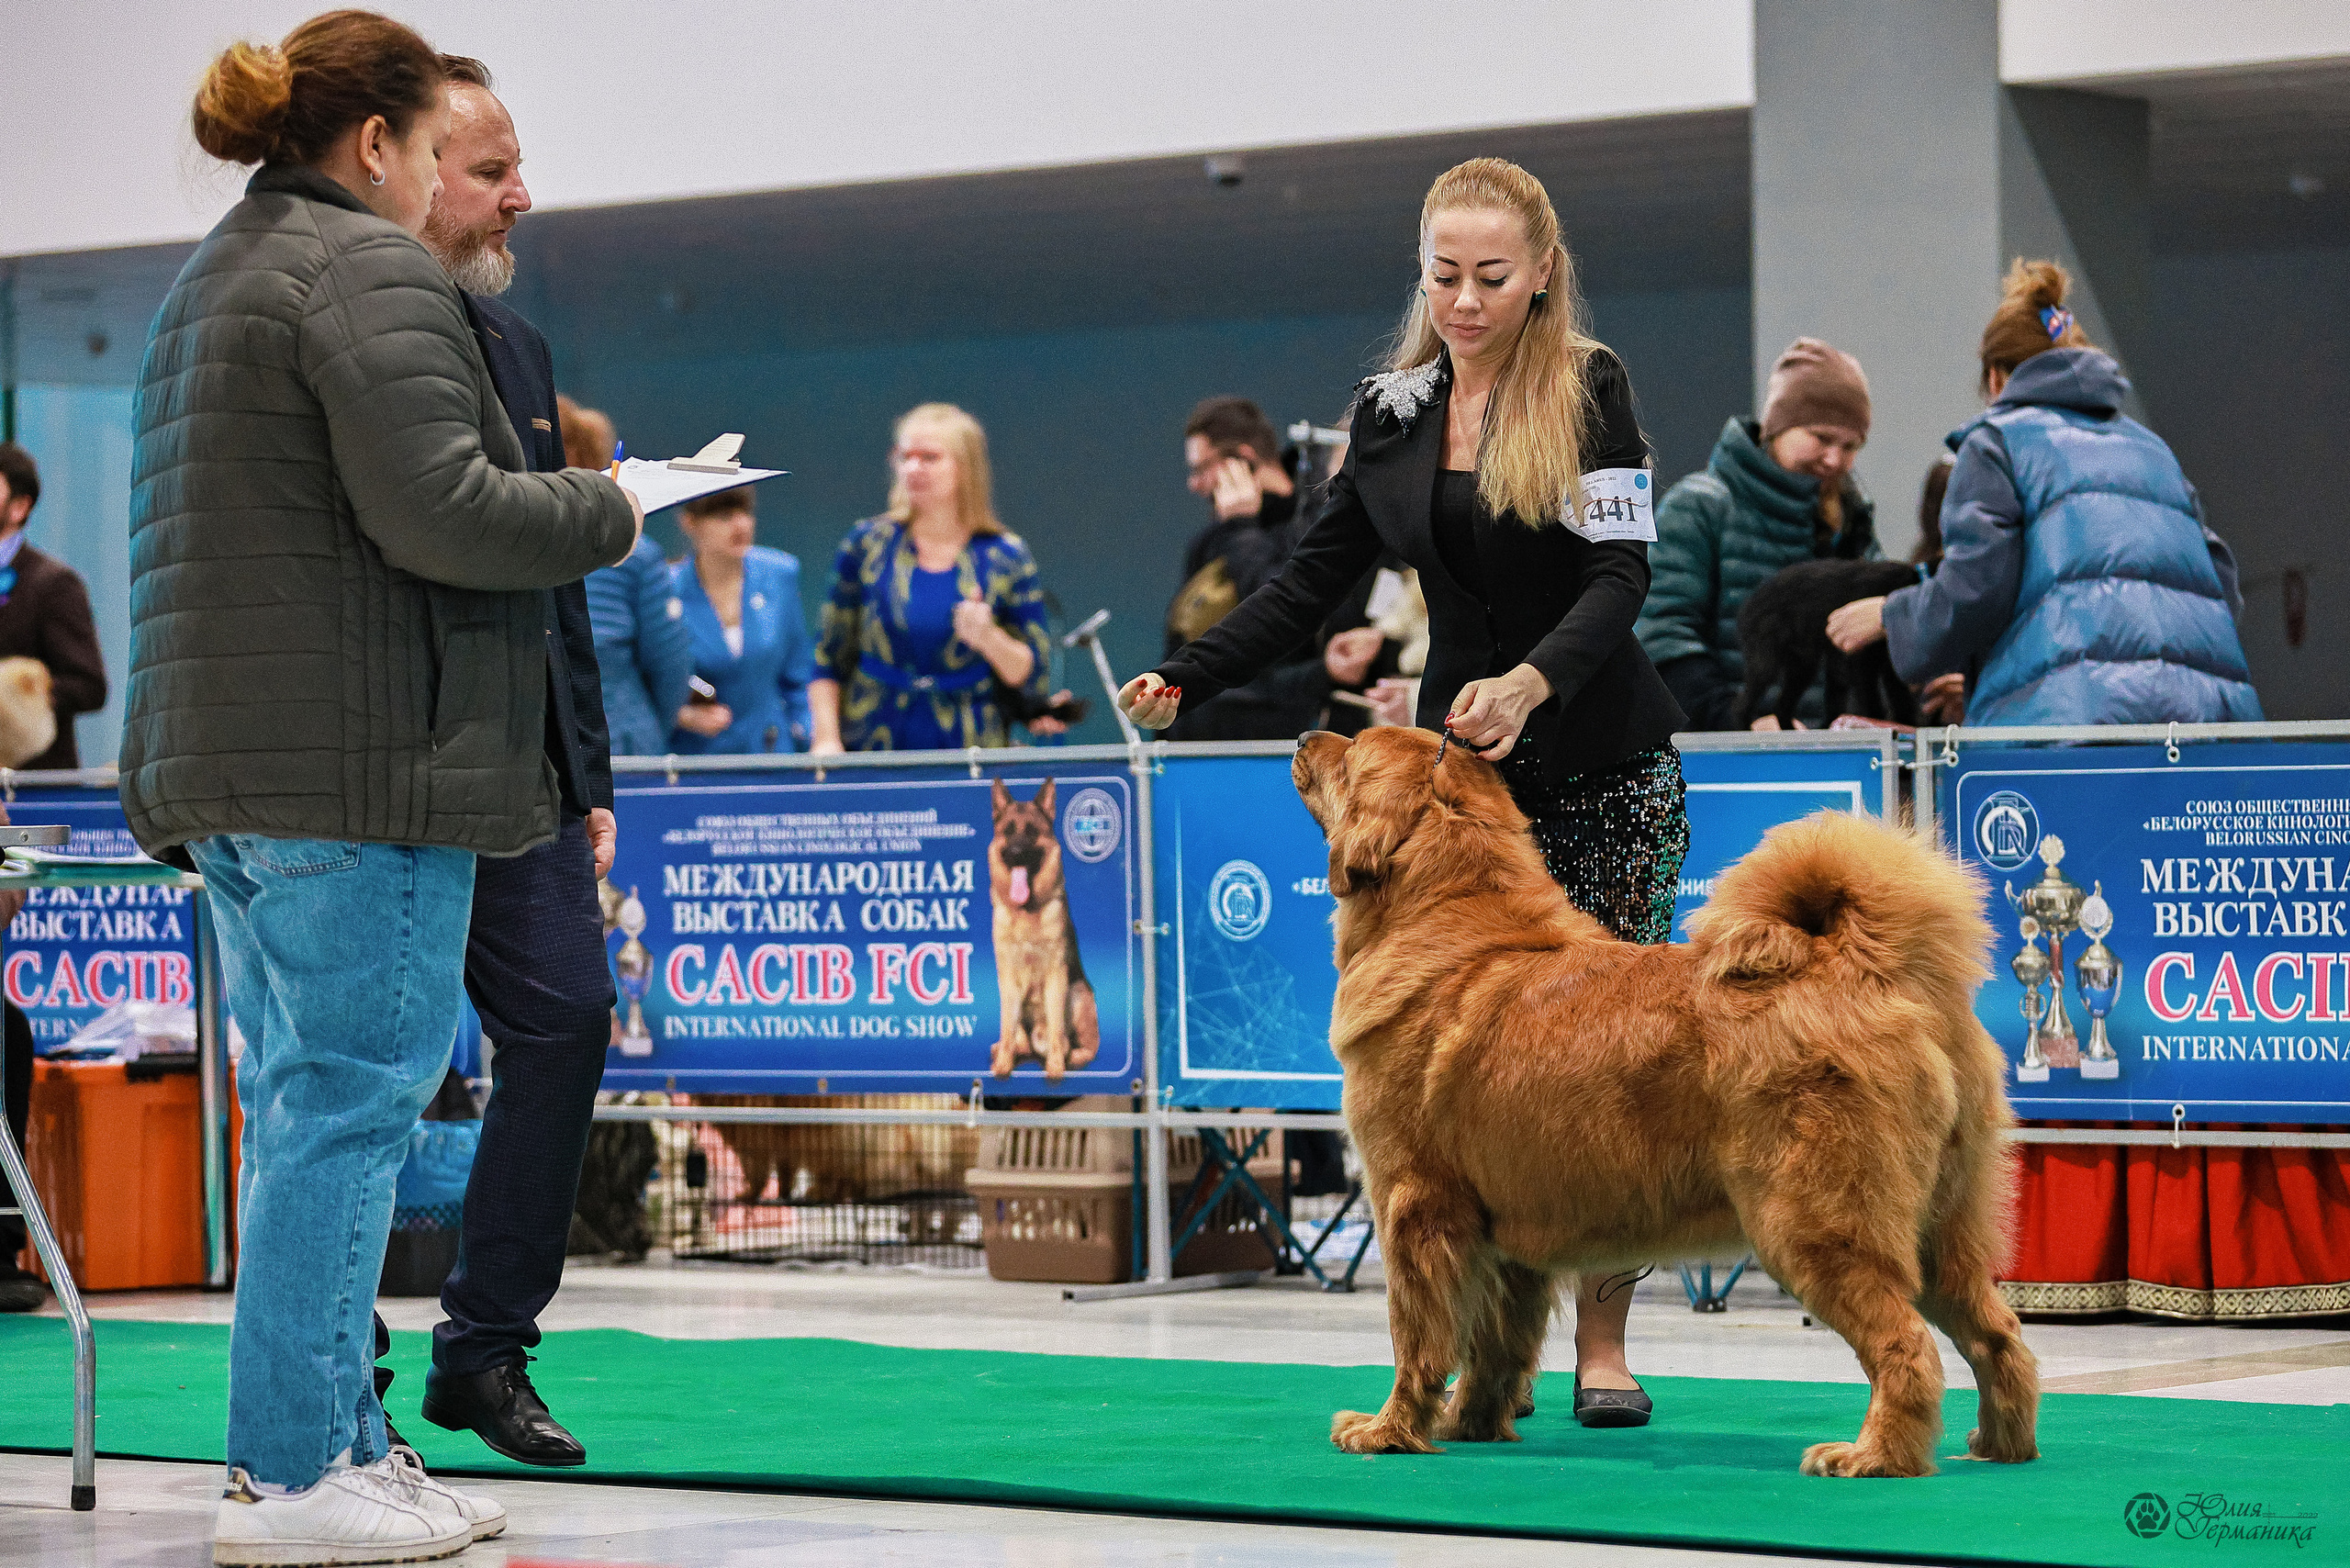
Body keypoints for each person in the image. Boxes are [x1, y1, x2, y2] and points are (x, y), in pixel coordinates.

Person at [128, 16, 638, 1562]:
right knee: (346, 1114)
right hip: (357, 774)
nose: (446, 184)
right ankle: (292, 1474)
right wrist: (615, 503)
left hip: (243, 765)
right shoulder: (366, 267)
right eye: (438, 153)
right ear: (377, 148)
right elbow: (450, 510)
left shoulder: (223, 268)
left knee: (303, 1114)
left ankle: (336, 1440)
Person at [1123, 157, 1687, 1430]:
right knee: (1464, 1092)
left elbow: (1620, 576)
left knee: (1604, 1076)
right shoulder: (1389, 411)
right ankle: (1489, 1363)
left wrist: (1534, 685)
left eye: (1493, 276)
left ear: (1541, 271)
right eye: (1444, 275)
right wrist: (1189, 673)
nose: (1467, 300)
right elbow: (1308, 583)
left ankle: (1601, 1346)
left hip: (1598, 762)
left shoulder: (1591, 387)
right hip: (1454, 791)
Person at [395, 52, 632, 1475]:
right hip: (397, 768)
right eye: (491, 172)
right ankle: (332, 1370)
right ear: (410, 166)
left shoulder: (525, 350)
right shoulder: (350, 328)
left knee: (569, 1021)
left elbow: (557, 588)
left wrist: (589, 775)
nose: (520, 196)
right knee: (363, 1075)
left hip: (528, 781)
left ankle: (485, 1348)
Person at [1827, 260, 2261, 725]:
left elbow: (1976, 589)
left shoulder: (1998, 442)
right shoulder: (2152, 450)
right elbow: (2220, 585)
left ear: (1995, 377)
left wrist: (1892, 616)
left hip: (2068, 730)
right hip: (2204, 731)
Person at [1634, 338, 1881, 731]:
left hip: (1837, 764)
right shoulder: (1699, 508)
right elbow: (1662, 640)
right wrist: (1741, 724)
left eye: (1850, 445)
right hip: (1721, 771)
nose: (1835, 459)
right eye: (1821, 438)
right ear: (1776, 427)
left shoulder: (1852, 526)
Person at [808, 404, 1052, 753]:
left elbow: (1031, 675)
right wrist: (826, 741)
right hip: (872, 739)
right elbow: (827, 658)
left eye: (929, 457)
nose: (913, 469)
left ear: (965, 468)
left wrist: (988, 638)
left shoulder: (1005, 555)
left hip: (971, 745)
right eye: (904, 456)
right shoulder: (867, 544)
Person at [1167, 398, 1382, 739]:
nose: (1194, 484)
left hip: (1295, 737)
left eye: (1202, 468)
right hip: (1198, 743)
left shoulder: (1320, 518)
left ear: (1244, 458)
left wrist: (1241, 529)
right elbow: (1182, 640)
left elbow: (1287, 612)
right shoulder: (1212, 538)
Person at [568, 398, 693, 756]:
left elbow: (671, 664)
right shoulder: (638, 552)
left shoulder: (636, 555)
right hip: (622, 742)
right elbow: (671, 663)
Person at [670, 486, 815, 754]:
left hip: (772, 751)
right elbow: (646, 685)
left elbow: (798, 676)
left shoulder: (780, 573)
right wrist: (685, 716)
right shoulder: (666, 590)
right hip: (699, 760)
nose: (740, 524)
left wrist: (809, 737)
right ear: (690, 523)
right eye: (724, 516)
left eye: (745, 513)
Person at [0, 442, 107, 767]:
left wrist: (20, 695)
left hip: (31, 790)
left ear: (19, 507)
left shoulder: (53, 584)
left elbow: (89, 686)